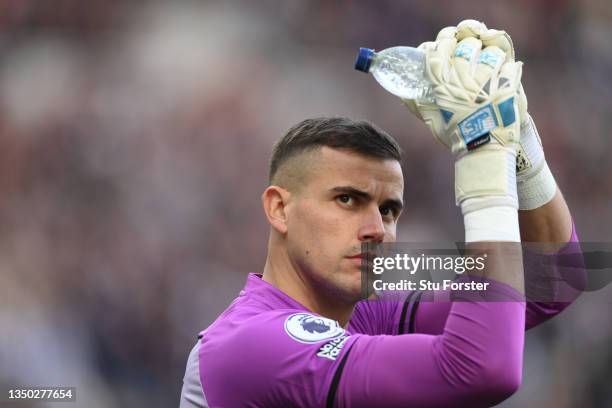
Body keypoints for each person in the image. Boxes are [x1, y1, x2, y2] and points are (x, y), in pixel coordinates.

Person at [180, 20, 582, 407]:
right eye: (347, 200)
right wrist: (485, 164)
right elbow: (482, 371)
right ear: (279, 209)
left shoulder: (369, 309)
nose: (376, 229)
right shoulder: (251, 344)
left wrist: (519, 139)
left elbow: (555, 281)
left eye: (388, 210)